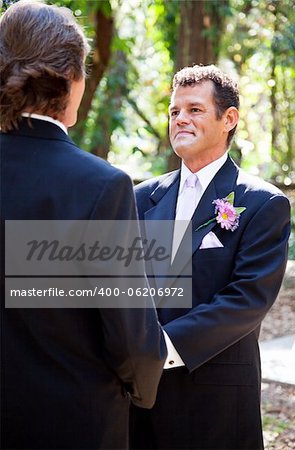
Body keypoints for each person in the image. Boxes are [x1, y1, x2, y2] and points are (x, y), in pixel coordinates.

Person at [0, 2, 166, 449]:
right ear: (72, 78)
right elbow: (132, 338)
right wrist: (143, 390)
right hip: (72, 422)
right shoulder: (101, 186)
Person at [130, 64, 291, 450]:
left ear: (228, 119)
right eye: (174, 112)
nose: (180, 119)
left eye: (195, 109)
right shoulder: (141, 197)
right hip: (140, 401)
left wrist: (159, 347)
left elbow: (247, 299)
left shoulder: (262, 202)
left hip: (216, 399)